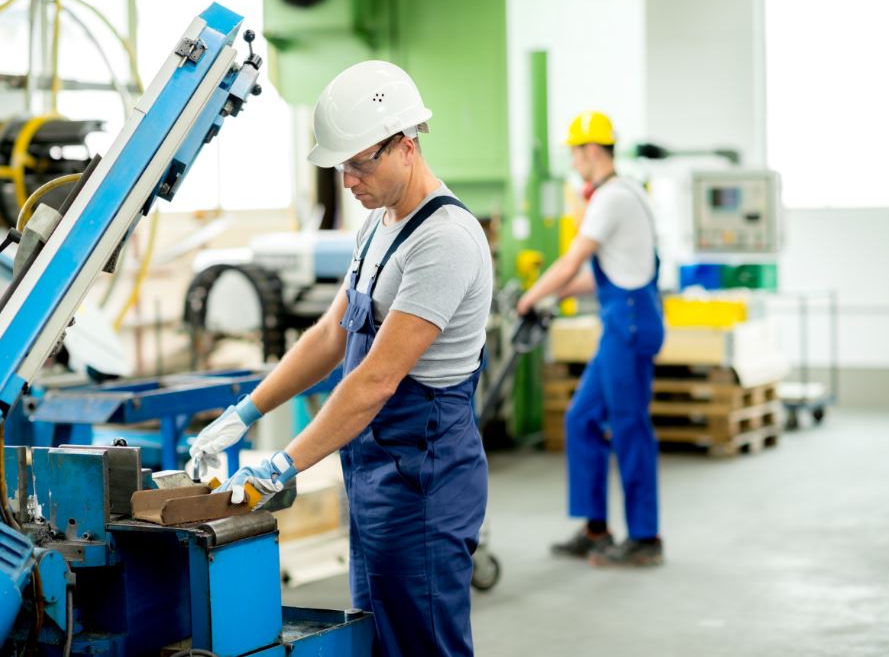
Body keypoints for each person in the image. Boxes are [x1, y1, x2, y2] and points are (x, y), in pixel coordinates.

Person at [190, 60, 493, 656]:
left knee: (424, 643)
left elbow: (375, 380)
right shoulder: (379, 225)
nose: (348, 179)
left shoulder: (444, 241)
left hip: (422, 484)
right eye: (341, 165)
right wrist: (245, 412)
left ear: (406, 145)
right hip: (376, 474)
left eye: (359, 162)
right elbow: (331, 335)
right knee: (379, 639)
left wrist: (282, 465)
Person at [516, 111, 665, 567]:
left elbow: (572, 261)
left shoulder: (612, 198)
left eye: (575, 152)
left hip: (631, 324)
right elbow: (598, 277)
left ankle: (645, 538)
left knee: (629, 426)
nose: (573, 161)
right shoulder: (627, 194)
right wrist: (551, 295)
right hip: (624, 320)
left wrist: (530, 297)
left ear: (592, 150)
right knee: (581, 418)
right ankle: (596, 529)